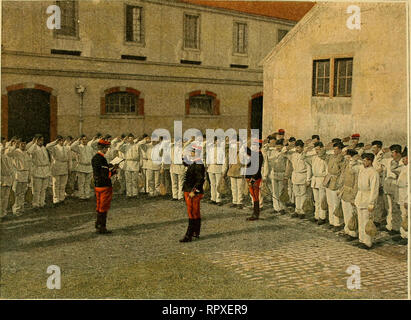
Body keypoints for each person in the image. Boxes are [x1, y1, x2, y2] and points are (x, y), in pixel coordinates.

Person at [92, 138, 118, 234]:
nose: (107, 150)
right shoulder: (102, 159)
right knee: (104, 207)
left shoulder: (95, 157)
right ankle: (102, 227)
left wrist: (109, 166)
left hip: (97, 185)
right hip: (104, 186)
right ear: (103, 148)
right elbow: (106, 175)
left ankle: (98, 224)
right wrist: (114, 170)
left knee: (99, 206)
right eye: (106, 148)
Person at [180, 144, 205, 242]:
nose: (191, 153)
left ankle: (188, 235)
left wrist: (194, 191)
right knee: (195, 212)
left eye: (192, 152)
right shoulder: (194, 162)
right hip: (189, 189)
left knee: (192, 212)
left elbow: (200, 179)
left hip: (192, 191)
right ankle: (195, 232)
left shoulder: (198, 164)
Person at [354, 153, 379, 249]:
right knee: (360, 220)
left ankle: (368, 242)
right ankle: (361, 239)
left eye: (365, 160)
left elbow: (374, 189)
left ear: (370, 161)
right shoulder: (362, 170)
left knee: (366, 221)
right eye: (363, 160)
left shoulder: (373, 173)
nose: (364, 162)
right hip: (360, 196)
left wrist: (371, 202)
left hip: (368, 197)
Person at [338, 149, 362, 241]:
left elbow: (356, 182)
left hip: (352, 191)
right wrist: (340, 189)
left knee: (352, 212)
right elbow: (342, 177)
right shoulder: (347, 164)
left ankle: (353, 232)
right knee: (346, 211)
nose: (345, 157)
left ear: (351, 156)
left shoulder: (357, 166)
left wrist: (354, 195)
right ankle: (347, 230)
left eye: (347, 155)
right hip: (345, 190)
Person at [263, 139, 291, 215]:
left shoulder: (285, 153)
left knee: (281, 192)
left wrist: (286, 176)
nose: (278, 147)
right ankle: (276, 208)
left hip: (282, 174)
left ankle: (282, 208)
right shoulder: (272, 153)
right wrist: (265, 175)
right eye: (277, 146)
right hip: (274, 173)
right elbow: (266, 157)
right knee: (274, 192)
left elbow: (288, 165)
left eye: (279, 146)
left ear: (282, 146)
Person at [286, 140, 311, 219]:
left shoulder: (305, 156)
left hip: (303, 175)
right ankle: (297, 210)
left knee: (303, 195)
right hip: (295, 176)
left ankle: (302, 212)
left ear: (302, 147)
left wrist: (308, 179)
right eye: (296, 147)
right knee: (296, 194)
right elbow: (284, 152)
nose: (297, 149)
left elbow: (309, 168)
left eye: (299, 148)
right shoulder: (293, 155)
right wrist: (293, 149)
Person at [382, 144, 403, 236]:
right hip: (389, 185)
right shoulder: (390, 161)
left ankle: (399, 229)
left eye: (393, 152)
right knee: (390, 208)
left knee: (398, 208)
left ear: (398, 153)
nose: (392, 155)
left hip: (397, 186)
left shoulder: (403, 162)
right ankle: (391, 226)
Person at [324, 141, 345, 231]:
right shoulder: (331, 157)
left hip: (336, 182)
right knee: (330, 203)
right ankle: (331, 221)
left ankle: (338, 223)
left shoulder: (343, 159)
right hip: (329, 181)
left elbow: (342, 173)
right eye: (334, 149)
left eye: (336, 149)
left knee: (336, 204)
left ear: (341, 150)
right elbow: (322, 155)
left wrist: (340, 185)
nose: (334, 151)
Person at [8, 140, 32, 216]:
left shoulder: (27, 153)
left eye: (24, 144)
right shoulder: (15, 152)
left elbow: (29, 165)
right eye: (21, 144)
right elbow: (8, 153)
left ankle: (21, 209)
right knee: (17, 192)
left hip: (25, 173)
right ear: (18, 144)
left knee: (23, 192)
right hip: (18, 173)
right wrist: (14, 146)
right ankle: (16, 210)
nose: (23, 145)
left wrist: (29, 176)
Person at [26, 135, 51, 209]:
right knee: (37, 189)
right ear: (36, 140)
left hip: (45, 170)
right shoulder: (34, 148)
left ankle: (42, 203)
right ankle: (36, 204)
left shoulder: (43, 148)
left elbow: (47, 159)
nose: (41, 142)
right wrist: (34, 143)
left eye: (42, 140)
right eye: (39, 140)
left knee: (43, 188)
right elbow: (29, 152)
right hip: (37, 170)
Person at [46, 136, 71, 205]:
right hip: (56, 166)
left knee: (63, 184)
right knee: (56, 184)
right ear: (58, 141)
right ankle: (56, 199)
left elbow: (69, 159)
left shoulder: (66, 148)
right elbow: (47, 146)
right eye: (60, 141)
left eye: (62, 140)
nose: (62, 142)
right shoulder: (54, 148)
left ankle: (62, 198)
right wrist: (55, 142)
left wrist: (69, 168)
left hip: (64, 166)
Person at [309, 141, 328, 224]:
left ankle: (322, 217)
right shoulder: (314, 157)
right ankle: (316, 216)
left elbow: (328, 171)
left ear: (322, 149)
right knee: (316, 200)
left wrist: (325, 181)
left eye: (318, 149)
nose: (317, 151)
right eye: (316, 149)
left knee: (321, 200)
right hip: (315, 179)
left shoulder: (325, 158)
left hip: (322, 179)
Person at [70, 135, 94, 200]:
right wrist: (77, 140)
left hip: (89, 167)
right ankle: (81, 196)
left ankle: (87, 195)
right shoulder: (78, 148)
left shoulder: (90, 148)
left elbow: (92, 157)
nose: (84, 141)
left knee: (87, 182)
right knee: (81, 182)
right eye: (82, 139)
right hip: (81, 166)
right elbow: (71, 147)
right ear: (80, 140)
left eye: (85, 139)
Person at [245, 140, 264, 221]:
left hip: (255, 178)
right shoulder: (255, 153)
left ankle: (256, 214)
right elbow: (248, 151)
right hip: (250, 177)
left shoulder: (259, 155)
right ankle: (255, 213)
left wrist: (253, 179)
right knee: (253, 196)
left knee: (255, 197)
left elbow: (258, 169)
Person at [206, 137, 225, 206]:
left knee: (218, 184)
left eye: (219, 141)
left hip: (218, 167)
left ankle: (218, 199)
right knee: (212, 184)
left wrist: (223, 169)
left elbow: (224, 160)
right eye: (216, 141)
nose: (218, 142)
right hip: (211, 167)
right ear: (214, 142)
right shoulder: (211, 150)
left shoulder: (222, 150)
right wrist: (207, 166)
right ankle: (213, 199)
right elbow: (208, 158)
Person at [397, 147, 408, 245]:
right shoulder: (404, 167)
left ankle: (407, 236)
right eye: (403, 158)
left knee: (407, 215)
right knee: (403, 215)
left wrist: (407, 200)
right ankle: (403, 234)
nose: (403, 159)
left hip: (407, 195)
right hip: (401, 194)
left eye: (406, 158)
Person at [1, 138, 14, 218]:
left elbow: (11, 167)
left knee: (6, 197)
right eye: (3, 143)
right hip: (1, 178)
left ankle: (4, 213)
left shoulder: (7, 156)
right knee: (1, 197)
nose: (5, 145)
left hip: (8, 178)